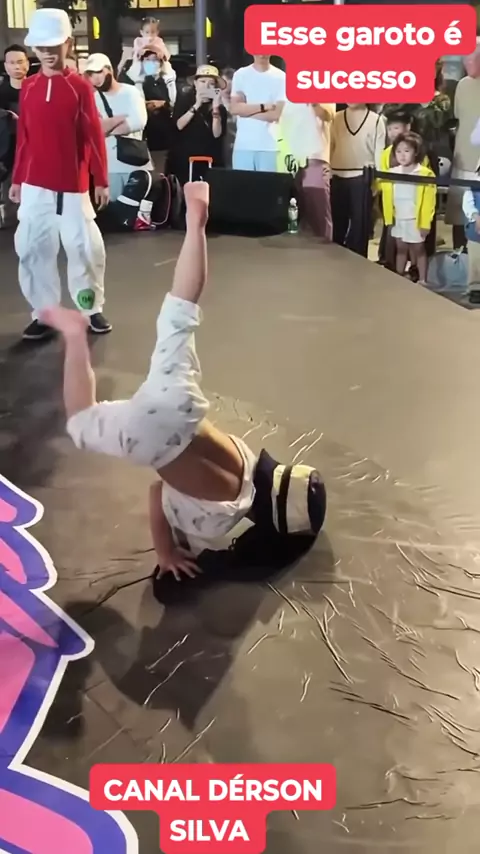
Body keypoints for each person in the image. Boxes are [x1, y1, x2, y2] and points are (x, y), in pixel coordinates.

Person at [39, 182, 326, 578]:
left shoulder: (246, 458)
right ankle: (74, 335)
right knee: (80, 422)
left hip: (183, 406)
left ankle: (195, 222)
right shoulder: (222, 517)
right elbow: (158, 495)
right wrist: (167, 552)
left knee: (180, 311)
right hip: (150, 437)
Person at [9, 9, 110, 342]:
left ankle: (90, 308)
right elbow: (24, 137)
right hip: (35, 185)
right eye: (41, 47)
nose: (48, 53)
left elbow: (93, 135)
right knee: (32, 249)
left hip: (72, 186)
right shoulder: (29, 87)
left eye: (54, 46)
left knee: (84, 250)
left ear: (67, 43)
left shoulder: (79, 87)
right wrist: (18, 178)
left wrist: (100, 178)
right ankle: (45, 312)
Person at [85, 52, 150, 202]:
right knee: (112, 209)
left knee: (137, 208)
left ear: (109, 70)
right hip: (109, 165)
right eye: (91, 74)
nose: (95, 78)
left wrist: (107, 127)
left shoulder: (131, 92)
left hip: (135, 162)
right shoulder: (93, 99)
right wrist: (120, 119)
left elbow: (139, 121)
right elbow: (95, 130)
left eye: (99, 72)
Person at [330, 103, 386, 256]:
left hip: (363, 177)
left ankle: (358, 263)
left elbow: (379, 152)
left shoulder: (376, 120)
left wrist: (378, 182)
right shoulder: (336, 118)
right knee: (337, 226)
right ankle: (334, 260)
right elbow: (331, 145)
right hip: (337, 175)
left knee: (360, 227)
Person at [381, 132, 436, 285]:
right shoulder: (391, 173)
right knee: (401, 249)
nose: (402, 155)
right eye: (398, 151)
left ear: (416, 152)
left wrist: (425, 223)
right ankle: (399, 277)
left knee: (419, 250)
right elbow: (385, 194)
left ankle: (423, 280)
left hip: (415, 219)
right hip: (398, 217)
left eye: (407, 151)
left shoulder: (424, 173)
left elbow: (429, 202)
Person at [445, 47, 480, 249]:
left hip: (478, 162)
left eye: (472, 60)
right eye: (465, 60)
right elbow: (458, 116)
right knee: (458, 212)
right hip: (462, 157)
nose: (467, 64)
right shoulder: (462, 85)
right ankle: (458, 253)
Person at [169, 65, 227, 186]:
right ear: (195, 83)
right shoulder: (185, 100)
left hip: (210, 157)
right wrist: (196, 105)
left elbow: (217, 134)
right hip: (184, 158)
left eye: (211, 83)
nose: (206, 86)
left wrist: (215, 109)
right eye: (202, 81)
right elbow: (179, 125)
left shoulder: (219, 107)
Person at [229, 55, 285, 172]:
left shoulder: (281, 77)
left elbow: (275, 115)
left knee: (268, 184)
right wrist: (263, 107)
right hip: (243, 146)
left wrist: (245, 111)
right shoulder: (241, 74)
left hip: (270, 147)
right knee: (242, 183)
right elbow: (234, 108)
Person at [133, 50, 176, 175]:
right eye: (147, 59)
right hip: (145, 133)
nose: (151, 63)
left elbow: (174, 102)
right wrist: (147, 104)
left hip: (164, 133)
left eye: (155, 59)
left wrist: (163, 104)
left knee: (161, 168)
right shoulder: (138, 81)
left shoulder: (168, 81)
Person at [462, 168, 480, 305]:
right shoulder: (472, 185)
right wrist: (476, 216)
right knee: (475, 260)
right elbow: (467, 204)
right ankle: (475, 288)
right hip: (476, 230)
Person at [0, 44, 29, 115]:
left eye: (20, 62)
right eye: (12, 63)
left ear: (27, 64)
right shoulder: (1, 93)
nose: (17, 67)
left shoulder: (40, 89)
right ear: (5, 66)